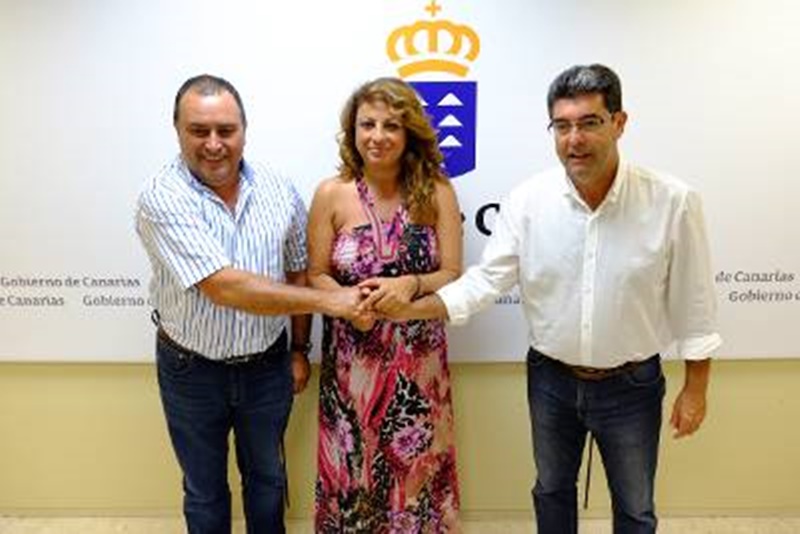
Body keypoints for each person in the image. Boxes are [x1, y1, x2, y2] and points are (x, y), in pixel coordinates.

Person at [371, 64, 722, 533]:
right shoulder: (527, 201)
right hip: (551, 380)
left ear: (619, 123)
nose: (574, 139)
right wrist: (413, 308)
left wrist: (696, 389)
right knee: (552, 491)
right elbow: (485, 282)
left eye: (589, 123)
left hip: (632, 385)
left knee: (635, 506)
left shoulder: (672, 201)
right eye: (562, 126)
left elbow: (694, 302)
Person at [135, 74, 362, 534]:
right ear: (177, 130)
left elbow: (297, 269)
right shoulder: (161, 196)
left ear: (244, 130)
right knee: (204, 489)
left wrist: (298, 349)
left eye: (226, 130)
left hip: (267, 367)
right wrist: (332, 301)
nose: (213, 144)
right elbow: (224, 287)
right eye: (198, 131)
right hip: (191, 370)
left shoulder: (279, 190)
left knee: (268, 480)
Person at [307, 77, 464, 532]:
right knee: (353, 476)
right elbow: (315, 274)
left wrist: (411, 284)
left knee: (415, 475)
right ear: (352, 131)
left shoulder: (437, 190)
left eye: (391, 125)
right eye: (367, 124)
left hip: (419, 365)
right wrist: (346, 300)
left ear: (409, 131)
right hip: (352, 366)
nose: (377, 136)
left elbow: (453, 274)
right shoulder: (331, 193)